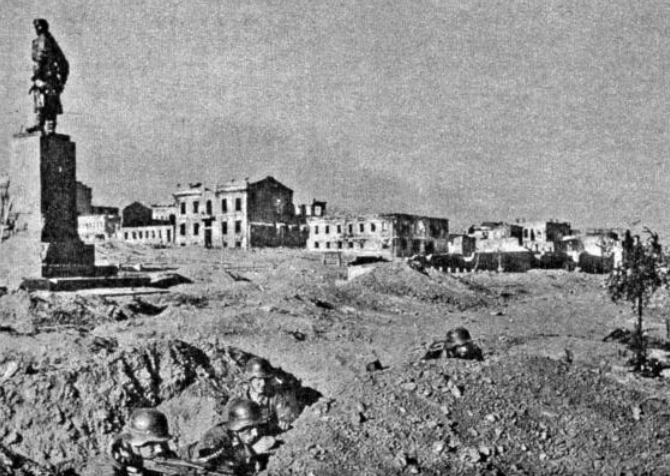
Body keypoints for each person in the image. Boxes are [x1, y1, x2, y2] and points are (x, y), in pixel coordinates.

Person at [81, 408, 178, 476]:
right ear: (136, 442)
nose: (159, 449)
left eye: (161, 443)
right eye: (152, 444)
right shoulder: (104, 469)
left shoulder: (157, 458)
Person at [184, 399, 267, 476]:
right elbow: (198, 468)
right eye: (251, 428)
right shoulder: (215, 439)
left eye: (257, 427)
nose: (256, 433)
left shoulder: (236, 438)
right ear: (239, 427)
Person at [234, 357, 299, 435]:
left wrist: (286, 417)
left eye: (266, 379)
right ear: (250, 379)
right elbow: (227, 424)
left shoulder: (274, 395)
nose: (263, 383)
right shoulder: (239, 398)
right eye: (259, 379)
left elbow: (287, 409)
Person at [26, 18, 69, 135]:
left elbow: (64, 63)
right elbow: (37, 63)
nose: (38, 29)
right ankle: (39, 125)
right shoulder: (36, 42)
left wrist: (61, 82)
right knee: (40, 103)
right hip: (39, 79)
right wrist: (36, 78)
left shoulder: (51, 42)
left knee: (51, 105)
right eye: (36, 27)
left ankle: (50, 129)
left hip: (50, 80)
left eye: (40, 26)